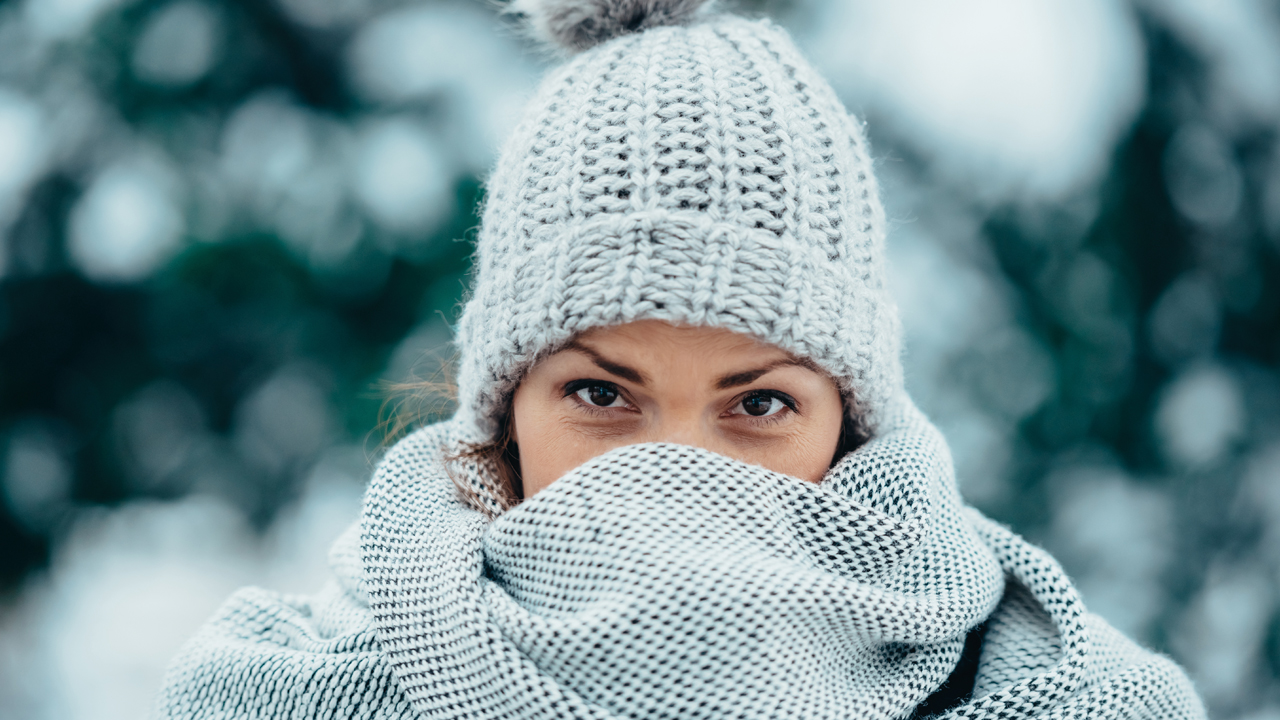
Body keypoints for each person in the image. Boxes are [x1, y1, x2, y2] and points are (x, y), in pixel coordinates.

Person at [156, 1, 1207, 717]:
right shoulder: (291, 692)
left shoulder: (1067, 697)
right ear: (501, 408)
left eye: (754, 407)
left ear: (850, 420)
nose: (674, 468)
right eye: (601, 392)